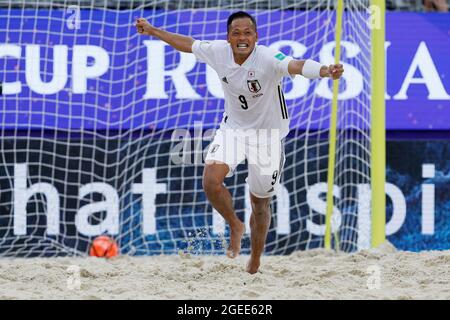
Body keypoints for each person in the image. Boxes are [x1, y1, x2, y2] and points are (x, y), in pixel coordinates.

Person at [135, 11, 344, 274]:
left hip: (268, 137)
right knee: (210, 180)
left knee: (260, 204)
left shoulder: (268, 57)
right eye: (236, 33)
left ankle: (255, 259)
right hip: (233, 130)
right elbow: (188, 43)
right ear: (228, 37)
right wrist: (153, 31)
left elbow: (298, 65)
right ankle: (234, 224)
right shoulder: (219, 51)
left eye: (247, 33)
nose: (242, 37)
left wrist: (325, 70)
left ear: (256, 37)